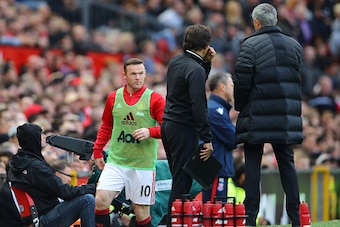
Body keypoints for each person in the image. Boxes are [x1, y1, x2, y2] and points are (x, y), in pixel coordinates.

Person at [233, 3, 304, 227]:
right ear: (275, 20)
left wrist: (240, 105)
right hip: (285, 114)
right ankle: (296, 219)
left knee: (252, 166)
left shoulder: (250, 45)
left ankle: (250, 219)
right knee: (287, 165)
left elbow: (242, 82)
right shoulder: (295, 46)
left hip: (257, 114)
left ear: (256, 22)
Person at [93, 57, 165, 227]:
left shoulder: (155, 99)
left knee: (141, 212)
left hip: (142, 165)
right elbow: (106, 126)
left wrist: (150, 131)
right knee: (101, 199)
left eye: (141, 73)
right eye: (133, 74)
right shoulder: (113, 97)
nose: (138, 77)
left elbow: (169, 128)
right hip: (116, 161)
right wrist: (97, 150)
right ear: (124, 75)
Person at [161, 24, 215, 226]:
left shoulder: (176, 62)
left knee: (179, 177)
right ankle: (173, 224)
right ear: (206, 44)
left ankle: (176, 222)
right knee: (182, 181)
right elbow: (198, 105)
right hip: (183, 127)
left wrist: (206, 64)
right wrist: (207, 138)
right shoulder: (195, 69)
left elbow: (193, 83)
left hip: (168, 126)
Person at [2, 123, 96, 227]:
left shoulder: (15, 163)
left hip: (32, 218)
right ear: (34, 138)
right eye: (40, 134)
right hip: (44, 219)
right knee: (87, 200)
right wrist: (95, 188)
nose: (44, 136)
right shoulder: (35, 167)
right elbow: (65, 192)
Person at [202, 72, 236, 203]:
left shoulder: (218, 108)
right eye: (231, 85)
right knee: (213, 210)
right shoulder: (215, 110)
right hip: (215, 169)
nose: (233, 89)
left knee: (217, 211)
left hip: (218, 167)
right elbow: (233, 138)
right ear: (222, 87)